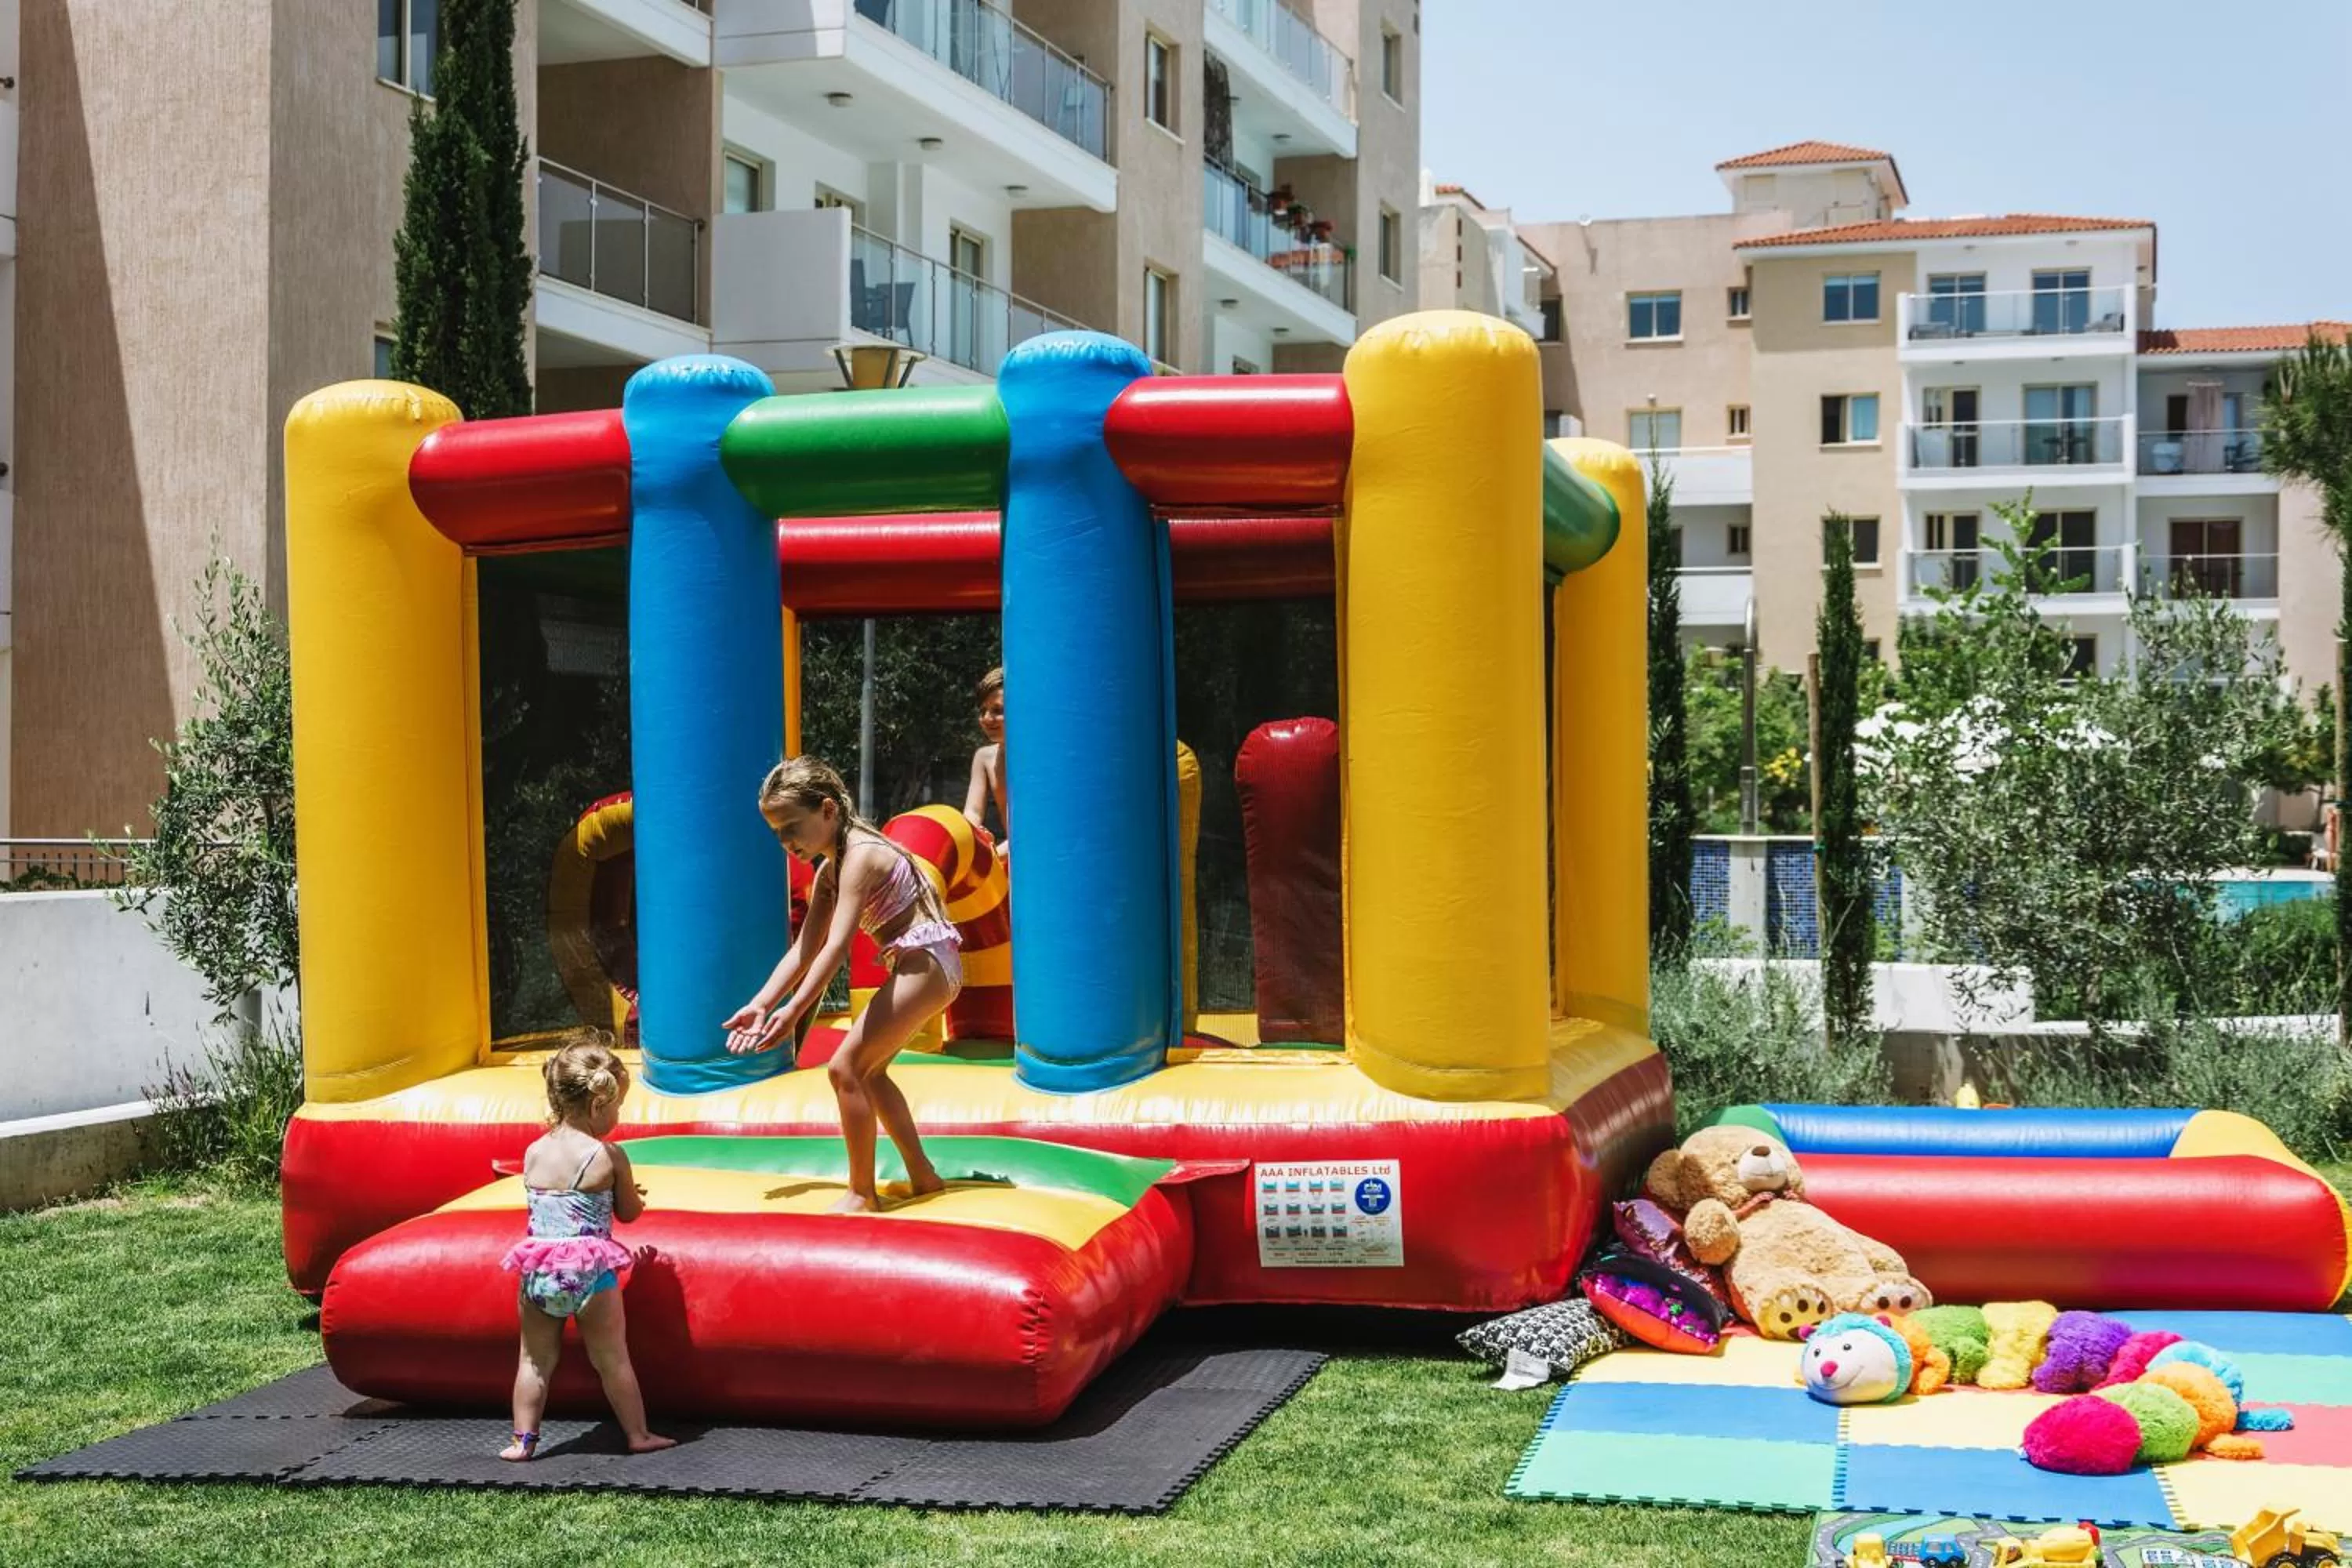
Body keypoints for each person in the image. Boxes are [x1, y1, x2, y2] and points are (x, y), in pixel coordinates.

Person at [725, 757, 961, 1213]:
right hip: (925, 964)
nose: (786, 841)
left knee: (843, 1068)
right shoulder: (828, 871)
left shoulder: (862, 856)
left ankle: (861, 1192)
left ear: (828, 810)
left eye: (792, 826)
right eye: (777, 832)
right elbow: (803, 950)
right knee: (869, 1073)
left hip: (927, 962)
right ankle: (924, 1176)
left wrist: (792, 1012)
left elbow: (836, 949)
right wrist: (760, 1003)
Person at [496, 1035, 673, 1461]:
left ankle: (523, 1442)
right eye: (617, 1107)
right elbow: (628, 1214)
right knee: (612, 1360)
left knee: (534, 1362)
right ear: (598, 1106)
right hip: (590, 1273)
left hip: (539, 1272)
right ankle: (638, 1435)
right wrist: (632, 1196)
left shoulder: (533, 1151)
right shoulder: (608, 1155)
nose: (618, 1115)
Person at [961, 666, 1008, 844]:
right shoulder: (984, 758)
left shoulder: (1041, 759)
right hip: (1010, 855)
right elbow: (972, 813)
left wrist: (994, 855)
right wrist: (974, 837)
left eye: (998, 710)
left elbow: (1037, 827)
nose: (987, 719)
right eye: (983, 711)